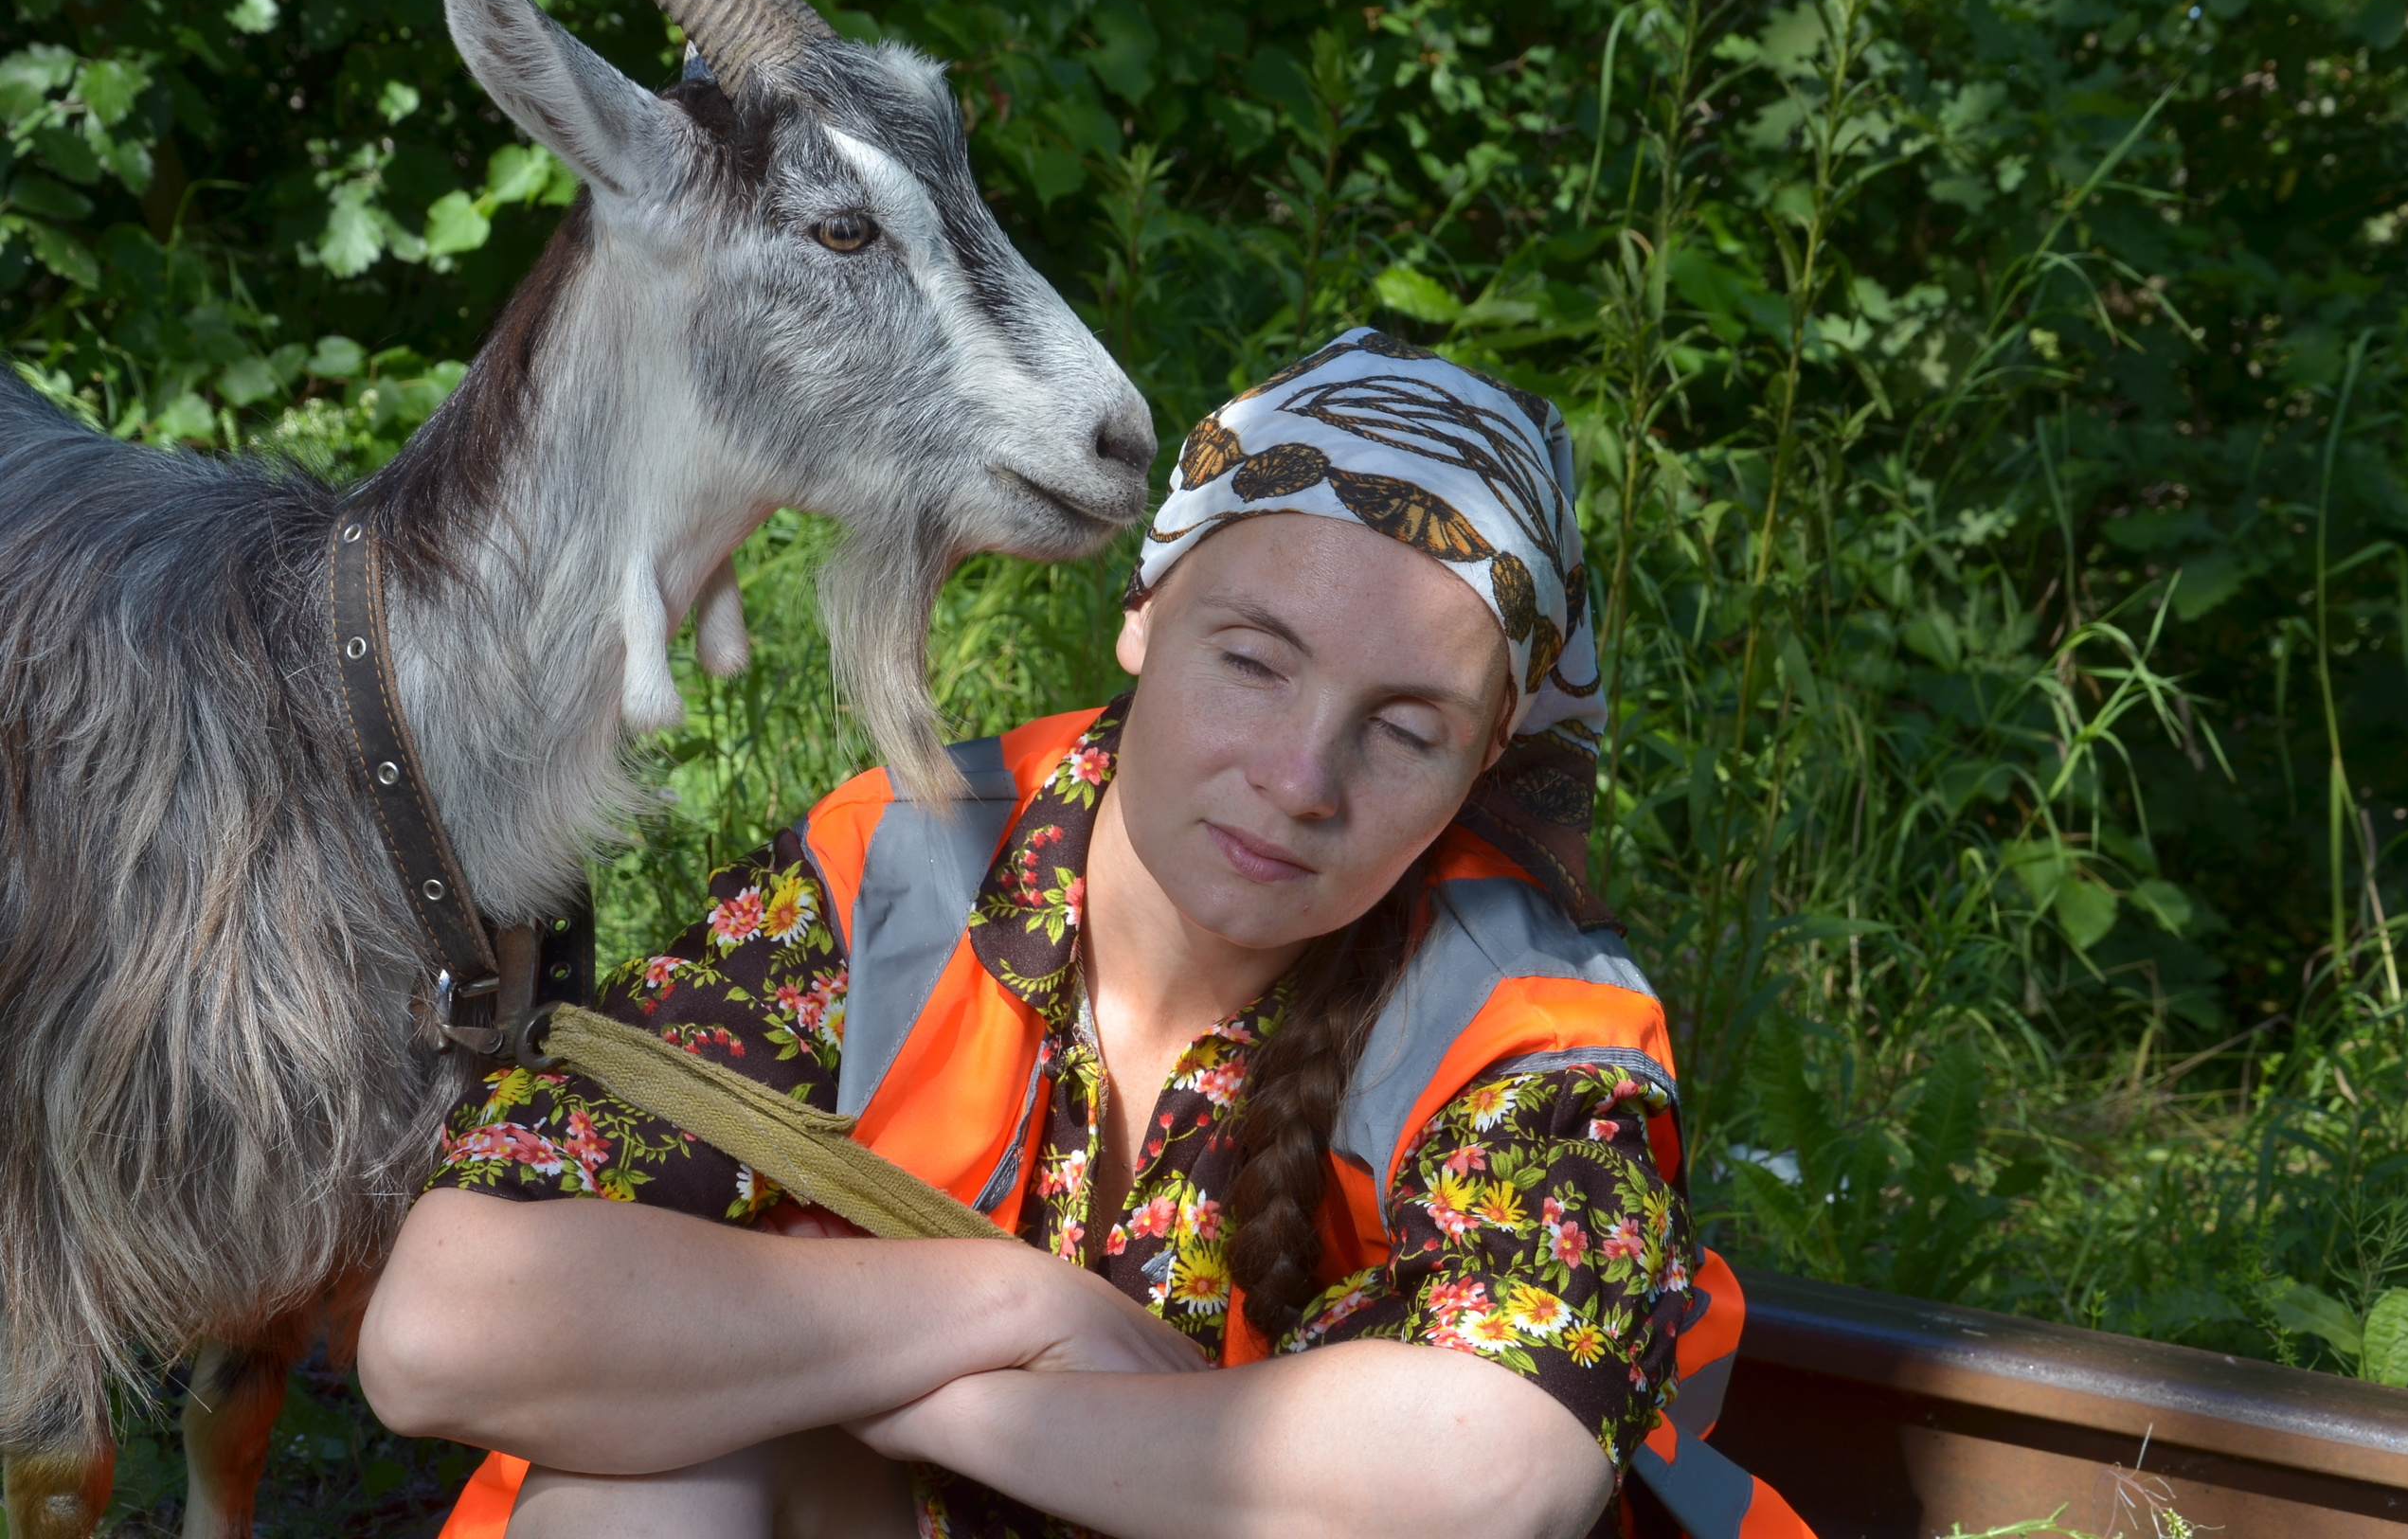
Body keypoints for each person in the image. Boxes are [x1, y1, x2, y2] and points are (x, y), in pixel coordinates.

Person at [359, 330, 1769, 1539]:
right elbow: (443, 1329)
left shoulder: (1530, 1017)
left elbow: (1493, 1478)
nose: (1300, 779)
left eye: (1405, 730)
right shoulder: (906, 867)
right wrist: (1008, 1302)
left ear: (1488, 758)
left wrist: (938, 1404)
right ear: (1145, 615)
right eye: (1253, 662)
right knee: (644, 1489)